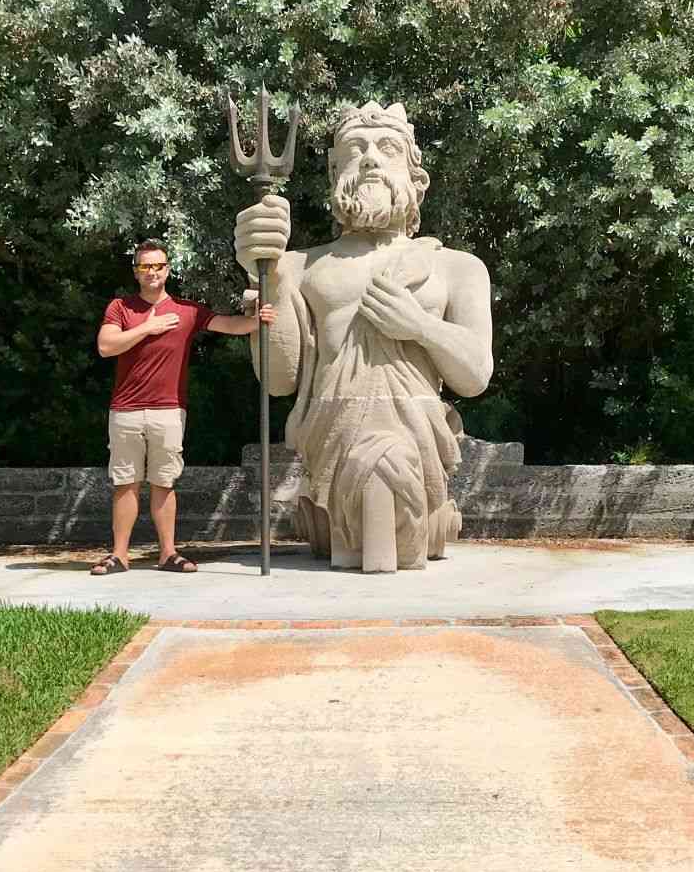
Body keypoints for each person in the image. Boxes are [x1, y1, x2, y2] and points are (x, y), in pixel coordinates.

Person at [233, 101, 494, 572]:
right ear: (335, 173)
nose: (370, 159)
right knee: (351, 538)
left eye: (387, 148)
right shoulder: (298, 266)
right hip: (332, 438)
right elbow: (279, 379)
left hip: (418, 437)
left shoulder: (456, 267)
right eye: (355, 149)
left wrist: (420, 327)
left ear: (416, 177)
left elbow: (475, 376)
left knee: (397, 511)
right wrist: (265, 271)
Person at [92, 239, 272, 575]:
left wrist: (258, 319)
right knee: (126, 483)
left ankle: (168, 554)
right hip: (126, 410)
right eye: (145, 266)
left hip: (169, 410)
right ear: (136, 271)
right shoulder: (121, 307)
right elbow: (106, 346)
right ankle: (119, 556)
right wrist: (148, 327)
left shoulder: (187, 310)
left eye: (158, 265)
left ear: (168, 270)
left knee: (164, 482)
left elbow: (230, 325)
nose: (152, 272)